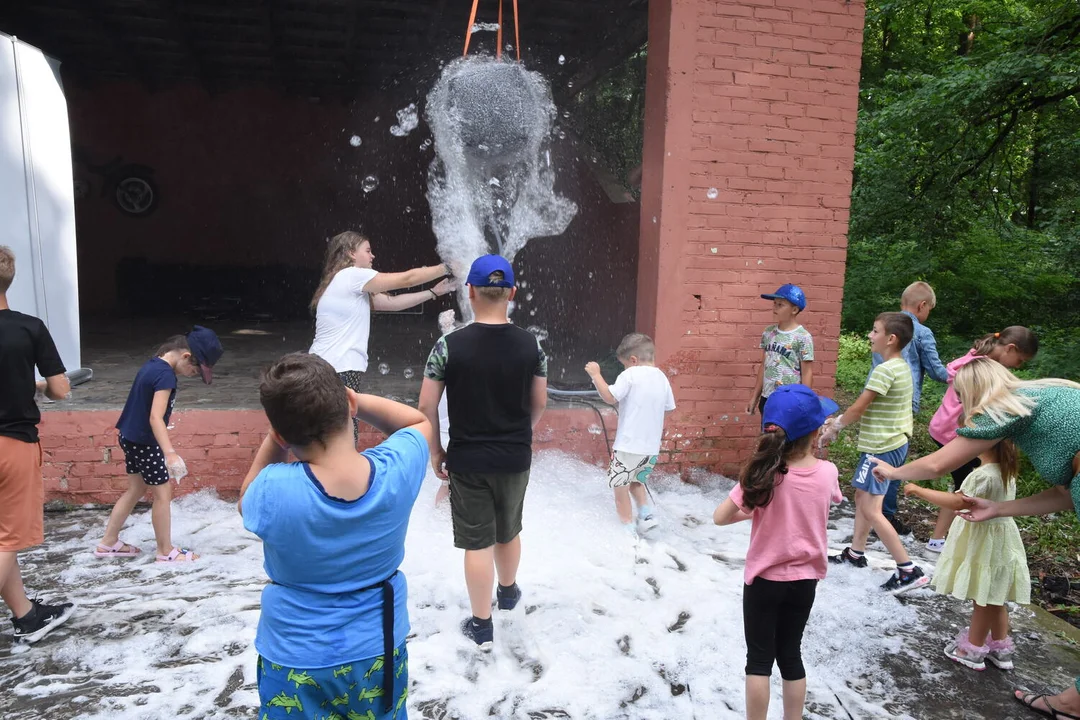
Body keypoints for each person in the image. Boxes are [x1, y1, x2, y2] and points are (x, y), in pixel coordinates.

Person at [870, 357, 1080, 716]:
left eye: (961, 398)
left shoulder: (998, 407)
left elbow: (939, 465)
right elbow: (1065, 494)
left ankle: (1070, 702)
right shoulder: (1044, 393)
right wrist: (997, 509)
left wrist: (893, 472)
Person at [238, 353, 432, 720]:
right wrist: (353, 401)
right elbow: (418, 421)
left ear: (281, 435)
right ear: (349, 403)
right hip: (376, 649)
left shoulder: (273, 491)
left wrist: (275, 437)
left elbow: (245, 499)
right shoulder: (396, 469)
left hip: (295, 656)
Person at [417, 255, 548, 651]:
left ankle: (482, 625)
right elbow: (539, 402)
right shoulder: (531, 344)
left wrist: (437, 451)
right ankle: (508, 593)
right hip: (514, 457)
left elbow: (425, 407)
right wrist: (518, 433)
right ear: (511, 293)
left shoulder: (448, 345)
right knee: (509, 529)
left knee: (478, 543)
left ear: (469, 292)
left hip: (467, 459)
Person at [714, 384, 843, 720]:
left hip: (764, 580)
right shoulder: (828, 473)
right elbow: (827, 500)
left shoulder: (762, 475)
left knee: (759, 660)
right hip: (806, 580)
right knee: (791, 655)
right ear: (815, 431)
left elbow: (720, 517)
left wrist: (754, 508)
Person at [819, 312, 929, 593]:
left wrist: (836, 426)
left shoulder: (885, 370)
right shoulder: (901, 366)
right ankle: (856, 553)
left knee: (871, 508)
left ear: (891, 339)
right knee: (861, 497)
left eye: (875, 330)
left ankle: (907, 570)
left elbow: (859, 407)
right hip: (890, 443)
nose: (870, 335)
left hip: (882, 449)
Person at [309, 230, 455, 440]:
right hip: (338, 369)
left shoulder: (345, 283)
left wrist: (433, 292)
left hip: (327, 368)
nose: (372, 256)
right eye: (367, 251)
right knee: (342, 438)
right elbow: (407, 279)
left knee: (333, 436)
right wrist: (446, 267)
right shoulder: (351, 276)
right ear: (351, 253)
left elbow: (392, 303)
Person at [95, 327, 223, 563]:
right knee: (163, 495)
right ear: (186, 356)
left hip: (128, 436)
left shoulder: (152, 365)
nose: (192, 374)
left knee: (135, 489)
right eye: (194, 369)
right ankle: (165, 551)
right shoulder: (165, 376)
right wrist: (170, 453)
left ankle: (108, 542)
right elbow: (156, 417)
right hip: (145, 442)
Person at [0, 245, 75, 643]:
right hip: (11, 444)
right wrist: (41, 385)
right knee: (9, 539)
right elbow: (61, 390)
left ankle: (26, 616)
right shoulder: (28, 327)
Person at [904, 439, 1030, 671]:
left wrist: (918, 489)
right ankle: (1001, 650)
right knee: (995, 597)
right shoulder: (1005, 470)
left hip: (983, 543)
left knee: (982, 598)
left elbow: (957, 502)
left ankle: (972, 649)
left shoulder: (982, 475)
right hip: (1001, 540)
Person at [924, 327, 1038, 552]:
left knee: (964, 486)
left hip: (943, 428)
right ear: (1010, 348)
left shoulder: (974, 357)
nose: (1018, 365)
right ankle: (949, 541)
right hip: (956, 433)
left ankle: (940, 538)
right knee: (967, 490)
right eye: (1020, 359)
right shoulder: (986, 370)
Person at [869, 281, 949, 535]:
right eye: (929, 310)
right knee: (894, 461)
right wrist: (963, 371)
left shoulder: (884, 326)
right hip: (903, 402)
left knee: (873, 456)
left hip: (874, 398)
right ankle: (886, 515)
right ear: (922, 305)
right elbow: (937, 372)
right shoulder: (921, 332)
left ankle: (869, 508)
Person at [585, 333, 676, 536]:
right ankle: (646, 513)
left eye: (625, 364)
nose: (625, 368)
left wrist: (596, 375)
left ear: (633, 360)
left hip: (628, 445)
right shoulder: (662, 377)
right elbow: (669, 408)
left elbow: (609, 397)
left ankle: (627, 529)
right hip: (650, 447)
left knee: (620, 486)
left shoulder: (630, 375)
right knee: (636, 481)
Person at [748, 284, 814, 415]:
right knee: (767, 434)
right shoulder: (768, 333)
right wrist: (755, 397)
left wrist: (804, 401)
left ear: (794, 310)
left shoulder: (803, 337)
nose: (775, 308)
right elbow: (764, 366)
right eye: (774, 303)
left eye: (780, 305)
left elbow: (807, 373)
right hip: (767, 398)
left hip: (789, 400)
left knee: (786, 435)